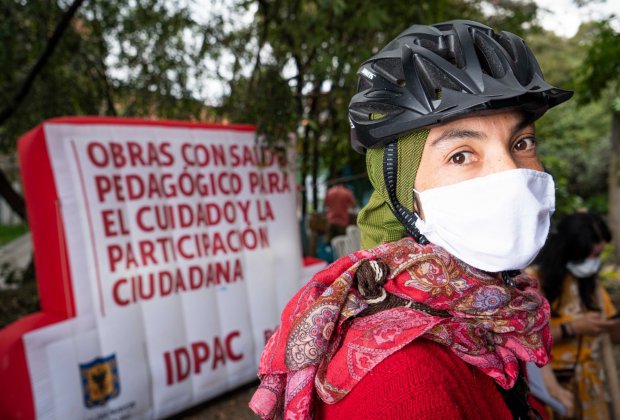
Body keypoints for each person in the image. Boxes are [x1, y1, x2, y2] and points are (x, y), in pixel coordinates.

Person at [250, 19, 572, 419]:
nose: (511, 175)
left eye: (521, 143)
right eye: (461, 155)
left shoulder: (488, 310)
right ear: (405, 195)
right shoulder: (403, 380)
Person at [534, 212, 620, 419]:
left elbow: (614, 336)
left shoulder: (592, 288)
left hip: (591, 390)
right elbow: (526, 341)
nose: (593, 262)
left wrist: (611, 326)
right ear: (569, 250)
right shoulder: (533, 284)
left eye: (598, 256)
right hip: (553, 388)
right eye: (590, 256)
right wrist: (572, 328)